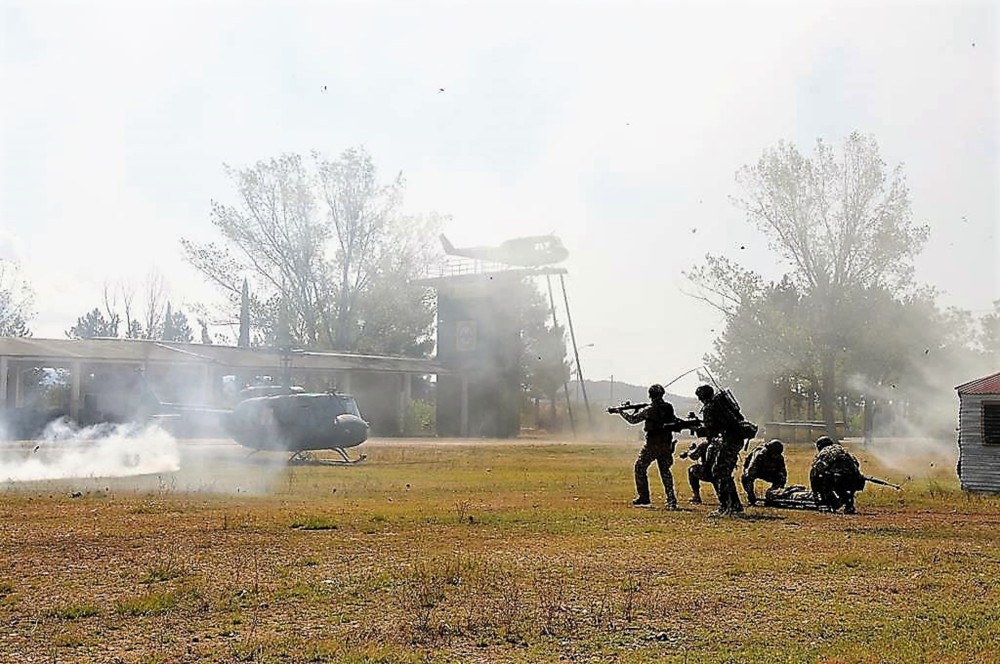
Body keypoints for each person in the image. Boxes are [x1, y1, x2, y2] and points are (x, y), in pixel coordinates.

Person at [615, 383, 678, 509]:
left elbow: (633, 420)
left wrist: (620, 412)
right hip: (666, 444)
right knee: (665, 471)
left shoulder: (649, 409)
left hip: (653, 445)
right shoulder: (668, 407)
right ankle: (671, 499)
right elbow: (674, 420)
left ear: (650, 395)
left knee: (639, 467)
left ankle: (644, 497)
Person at [695, 384, 744, 516]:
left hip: (727, 441)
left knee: (719, 472)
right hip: (735, 439)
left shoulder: (710, 407)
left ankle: (725, 507)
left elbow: (711, 431)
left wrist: (698, 429)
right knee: (725, 473)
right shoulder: (721, 405)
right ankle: (735, 505)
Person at [809, 436, 865, 514]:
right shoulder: (842, 449)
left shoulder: (824, 452)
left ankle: (827, 502)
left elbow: (815, 472)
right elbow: (856, 463)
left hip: (838, 480)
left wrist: (815, 492)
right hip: (854, 479)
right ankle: (848, 503)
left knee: (822, 477)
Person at [740, 439, 788, 506]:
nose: (776, 456)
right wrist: (751, 494)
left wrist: (775, 492)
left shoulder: (779, 458)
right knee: (746, 478)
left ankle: (773, 496)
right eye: (774, 454)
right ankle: (751, 498)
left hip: (769, 472)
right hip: (757, 470)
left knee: (781, 478)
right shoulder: (760, 455)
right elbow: (750, 472)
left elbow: (783, 474)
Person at [679, 439, 712, 504]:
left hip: (709, 472)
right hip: (723, 471)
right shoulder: (721, 441)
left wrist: (688, 452)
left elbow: (694, 456)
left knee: (692, 470)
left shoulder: (704, 443)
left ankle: (696, 496)